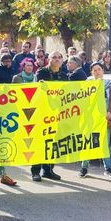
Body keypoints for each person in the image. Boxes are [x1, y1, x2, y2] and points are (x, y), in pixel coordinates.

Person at [31, 51, 66, 181]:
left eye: (59, 57)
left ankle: (48, 170)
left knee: (52, 143)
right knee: (39, 143)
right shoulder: (41, 72)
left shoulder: (64, 75)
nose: (57, 60)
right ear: (49, 60)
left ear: (62, 60)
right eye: (54, 57)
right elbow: (37, 90)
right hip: (42, 113)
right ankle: (35, 171)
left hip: (56, 114)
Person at [81, 62, 111, 178]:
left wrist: (110, 111)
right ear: (92, 72)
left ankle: (108, 168)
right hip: (90, 117)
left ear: (103, 71)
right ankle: (84, 167)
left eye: (99, 69)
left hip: (104, 117)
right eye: (94, 70)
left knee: (104, 143)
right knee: (88, 142)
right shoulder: (87, 83)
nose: (97, 72)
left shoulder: (110, 84)